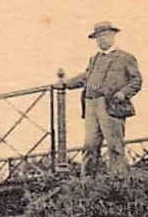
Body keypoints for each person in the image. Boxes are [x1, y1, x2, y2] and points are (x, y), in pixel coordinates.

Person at [59, 22, 142, 176]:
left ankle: (118, 180)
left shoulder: (125, 57)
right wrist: (66, 83)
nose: (101, 40)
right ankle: (88, 181)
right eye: (98, 37)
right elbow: (86, 77)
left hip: (110, 105)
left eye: (105, 36)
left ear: (113, 36)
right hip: (91, 105)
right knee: (90, 144)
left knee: (114, 145)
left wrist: (124, 93)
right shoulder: (94, 59)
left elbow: (136, 80)